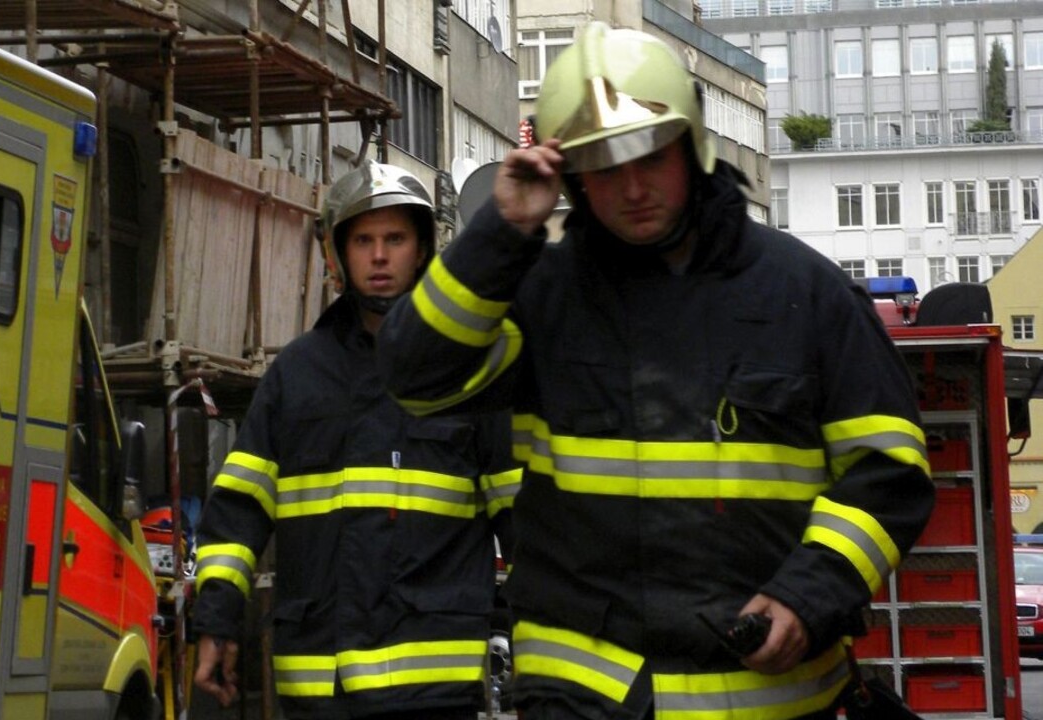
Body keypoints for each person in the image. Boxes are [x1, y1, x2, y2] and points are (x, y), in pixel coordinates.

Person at [376, 22, 934, 720]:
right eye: (603, 167)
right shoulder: (538, 294)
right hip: (583, 695)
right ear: (570, 174)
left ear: (691, 147)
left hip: (765, 695)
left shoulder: (805, 293)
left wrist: (808, 592)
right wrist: (501, 229)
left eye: (649, 156)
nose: (632, 188)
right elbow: (413, 376)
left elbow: (890, 473)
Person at [191, 161, 519, 720]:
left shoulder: (471, 373)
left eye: (395, 238)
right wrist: (216, 622)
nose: (380, 256)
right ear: (336, 255)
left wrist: (537, 650)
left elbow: (524, 523)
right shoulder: (296, 376)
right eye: (363, 240)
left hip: (433, 692)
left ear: (422, 248)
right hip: (321, 690)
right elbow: (236, 516)